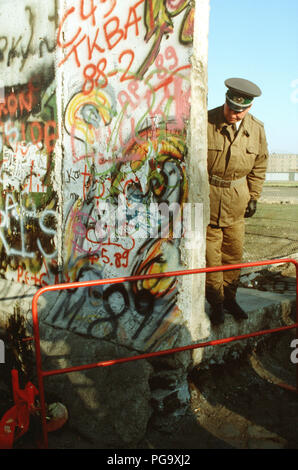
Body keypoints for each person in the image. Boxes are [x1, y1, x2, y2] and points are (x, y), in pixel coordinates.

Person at [206, 77, 269, 325]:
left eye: (239, 110)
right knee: (211, 260)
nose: (233, 114)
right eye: (230, 107)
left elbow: (260, 164)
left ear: (249, 108)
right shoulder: (206, 122)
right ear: (226, 101)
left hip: (237, 201)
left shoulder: (257, 129)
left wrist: (254, 196)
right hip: (207, 199)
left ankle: (231, 298)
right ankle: (217, 303)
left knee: (232, 256)